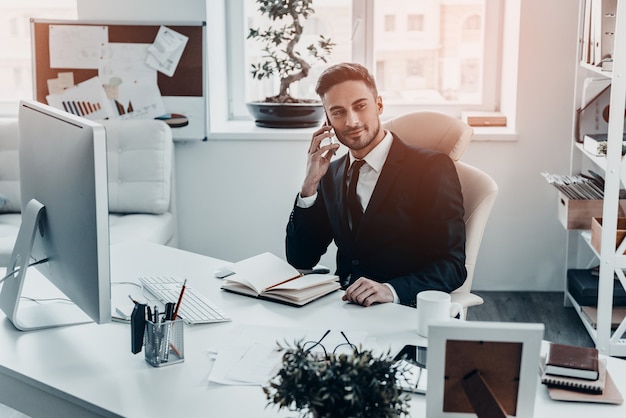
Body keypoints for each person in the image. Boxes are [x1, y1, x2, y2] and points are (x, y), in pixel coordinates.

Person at [285, 62, 466, 307]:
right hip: (342, 308)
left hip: (400, 310)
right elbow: (301, 259)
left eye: (360, 106)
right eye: (338, 112)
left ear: (379, 105)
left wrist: (390, 290)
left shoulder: (432, 169)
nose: (352, 121)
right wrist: (309, 186)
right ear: (327, 120)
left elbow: (452, 266)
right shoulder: (331, 174)